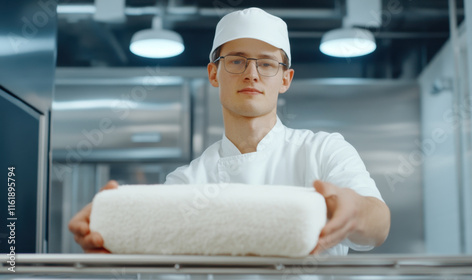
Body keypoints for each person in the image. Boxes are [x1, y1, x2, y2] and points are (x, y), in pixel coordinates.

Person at [69, 7, 390, 255]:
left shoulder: (323, 151)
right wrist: (111, 224)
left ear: (285, 79)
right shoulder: (185, 182)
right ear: (214, 73)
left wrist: (353, 209)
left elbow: (378, 224)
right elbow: (152, 249)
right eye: (237, 61)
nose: (252, 74)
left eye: (266, 64)